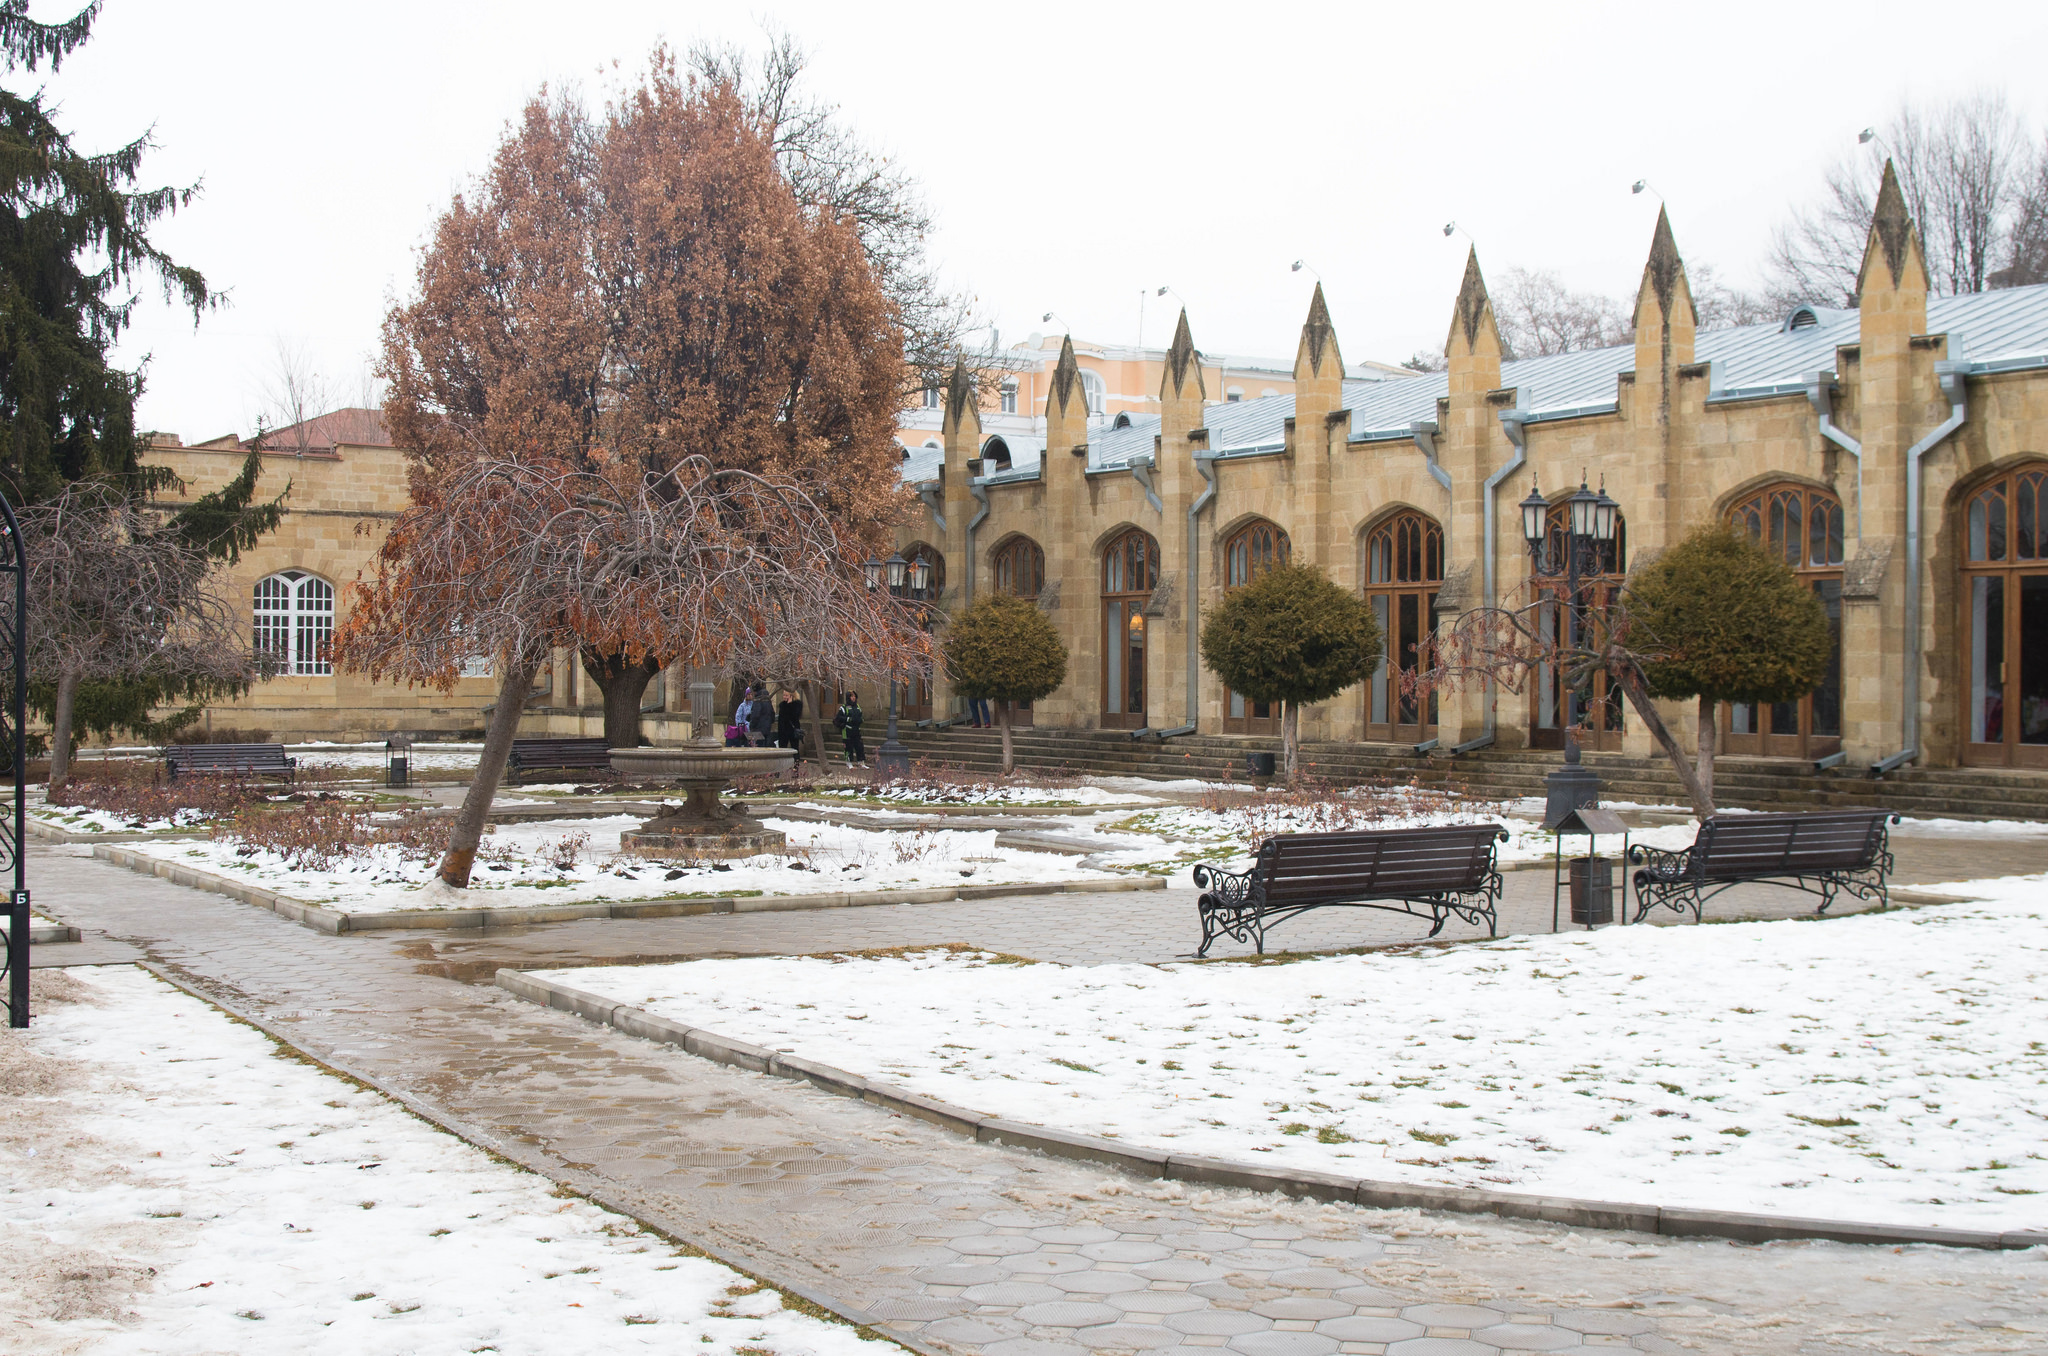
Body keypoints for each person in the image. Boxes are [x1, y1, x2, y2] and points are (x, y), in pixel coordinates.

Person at [834, 692, 866, 765]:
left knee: (859, 746)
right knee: (848, 747)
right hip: (847, 730)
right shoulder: (843, 707)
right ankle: (849, 763)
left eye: (854, 696)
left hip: (856, 730)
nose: (853, 698)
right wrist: (847, 719)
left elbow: (860, 716)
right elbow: (838, 718)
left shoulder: (857, 706)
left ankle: (861, 762)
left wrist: (860, 720)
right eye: (851, 696)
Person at [775, 686, 804, 751]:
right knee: (782, 747)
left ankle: (796, 759)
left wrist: (790, 705)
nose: (784, 697)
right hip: (783, 729)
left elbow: (795, 715)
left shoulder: (798, 704)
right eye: (784, 695)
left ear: (792, 696)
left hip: (793, 728)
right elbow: (783, 716)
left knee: (795, 746)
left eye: (786, 695)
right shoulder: (782, 705)